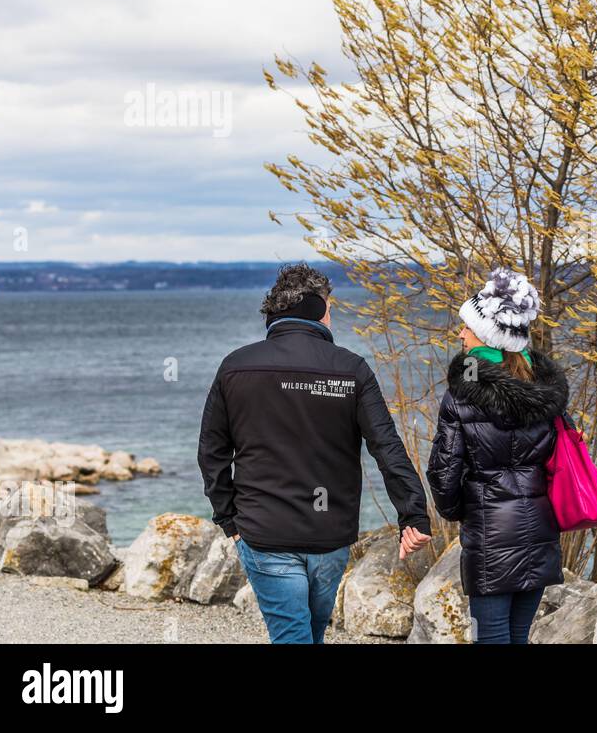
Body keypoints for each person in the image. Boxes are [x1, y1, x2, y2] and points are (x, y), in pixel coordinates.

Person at [197, 263, 431, 643]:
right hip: (328, 533)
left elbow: (211, 453)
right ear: (315, 308)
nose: (331, 316)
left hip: (264, 530)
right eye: (329, 307)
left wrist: (230, 520)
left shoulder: (236, 366)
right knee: (305, 635)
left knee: (299, 636)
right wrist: (413, 513)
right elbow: (386, 447)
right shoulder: (351, 369)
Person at [427, 268, 568, 644]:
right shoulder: (544, 389)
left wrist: (460, 510)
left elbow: (443, 473)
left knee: (490, 637)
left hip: (490, 532)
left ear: (487, 336)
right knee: (518, 635)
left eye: (467, 328)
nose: (460, 334)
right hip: (540, 530)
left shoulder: (463, 393)